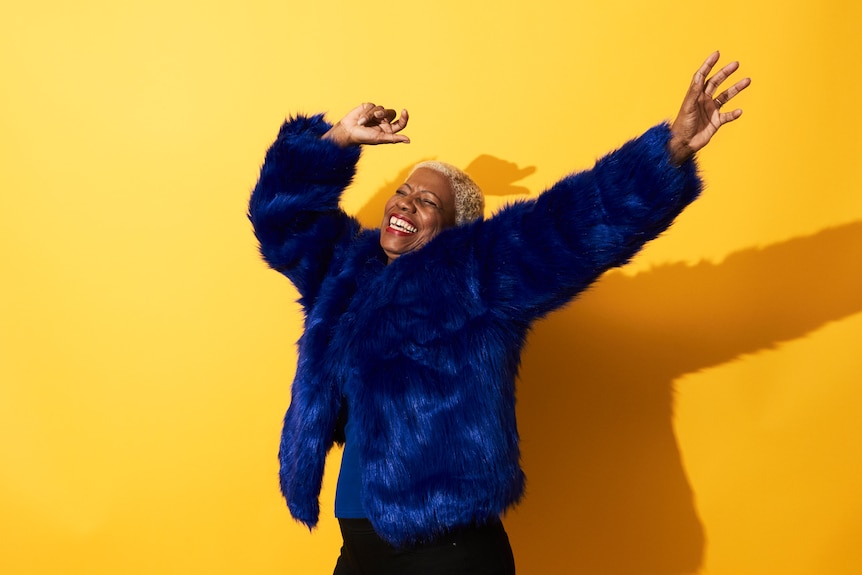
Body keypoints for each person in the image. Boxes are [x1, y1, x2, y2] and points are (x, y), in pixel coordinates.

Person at [248, 51, 750, 575]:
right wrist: (339, 142)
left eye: (427, 203)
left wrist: (668, 151)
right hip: (361, 553)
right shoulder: (345, 273)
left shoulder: (476, 274)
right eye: (403, 191)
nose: (404, 203)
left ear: (455, 231)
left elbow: (569, 229)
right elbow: (279, 222)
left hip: (447, 555)